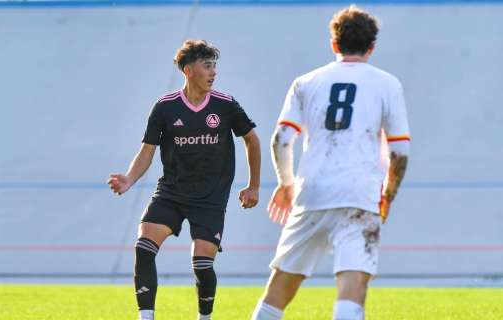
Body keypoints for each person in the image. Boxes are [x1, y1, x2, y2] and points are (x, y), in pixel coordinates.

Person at [251, 6, 410, 320]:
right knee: (352, 287)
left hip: (312, 193)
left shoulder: (306, 82)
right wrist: (387, 196)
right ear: (372, 46)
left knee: (279, 289)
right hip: (360, 195)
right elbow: (400, 152)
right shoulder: (387, 84)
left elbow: (281, 139)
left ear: (334, 44)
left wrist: (286, 184)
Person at [108, 39, 261, 320]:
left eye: (214, 65)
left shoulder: (225, 105)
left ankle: (204, 317)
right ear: (189, 71)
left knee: (202, 264)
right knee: (143, 247)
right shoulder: (165, 107)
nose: (213, 72)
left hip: (210, 198)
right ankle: (146, 317)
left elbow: (252, 140)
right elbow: (147, 151)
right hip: (171, 193)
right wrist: (129, 178)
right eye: (207, 66)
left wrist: (253, 185)